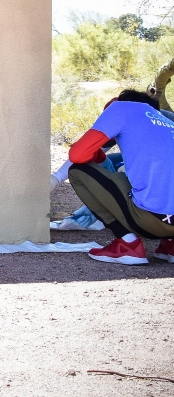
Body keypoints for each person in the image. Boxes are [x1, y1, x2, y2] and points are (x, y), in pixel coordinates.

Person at [67, 89, 174, 265]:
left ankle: (127, 244)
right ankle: (170, 245)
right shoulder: (165, 121)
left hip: (149, 222)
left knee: (78, 171)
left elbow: (77, 155)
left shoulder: (120, 108)